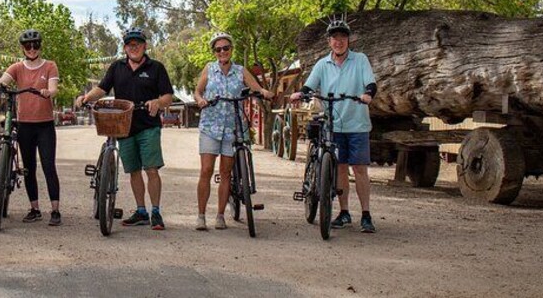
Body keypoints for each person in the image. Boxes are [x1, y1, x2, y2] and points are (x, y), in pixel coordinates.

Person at [75, 27, 174, 230]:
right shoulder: (117, 67)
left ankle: (155, 212)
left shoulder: (156, 67)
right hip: (123, 126)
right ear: (125, 47)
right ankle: (141, 211)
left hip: (148, 126)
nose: (134, 47)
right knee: (134, 171)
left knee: (151, 169)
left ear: (145, 46)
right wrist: (85, 97)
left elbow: (167, 96)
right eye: (130, 44)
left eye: (137, 43)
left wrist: (157, 102)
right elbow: (102, 88)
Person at [290, 18, 378, 233]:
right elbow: (310, 85)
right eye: (335, 38)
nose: (339, 41)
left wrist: (367, 94)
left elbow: (371, 83)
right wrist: (301, 93)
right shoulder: (322, 64)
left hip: (356, 123)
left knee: (359, 169)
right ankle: (344, 211)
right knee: (339, 169)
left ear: (348, 40)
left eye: (343, 37)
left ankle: (366, 214)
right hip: (333, 124)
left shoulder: (360, 60)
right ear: (329, 41)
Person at [193, 32, 273, 231]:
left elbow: (255, 87)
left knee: (226, 172)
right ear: (214, 52)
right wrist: (200, 100)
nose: (222, 52)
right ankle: (201, 216)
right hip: (210, 125)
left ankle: (220, 215)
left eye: (225, 48)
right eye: (218, 49)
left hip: (234, 127)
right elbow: (197, 91)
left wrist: (263, 92)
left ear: (231, 50)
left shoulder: (240, 71)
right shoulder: (209, 69)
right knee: (206, 170)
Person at [0, 29, 62, 227]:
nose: (31, 49)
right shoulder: (16, 67)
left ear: (40, 46)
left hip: (45, 125)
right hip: (25, 126)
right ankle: (35, 208)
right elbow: (3, 80)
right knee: (29, 168)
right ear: (22, 48)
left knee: (48, 167)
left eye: (35, 45)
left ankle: (55, 210)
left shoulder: (49, 66)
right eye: (28, 46)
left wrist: (49, 92)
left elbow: (54, 87)